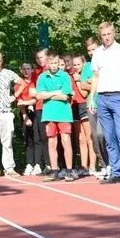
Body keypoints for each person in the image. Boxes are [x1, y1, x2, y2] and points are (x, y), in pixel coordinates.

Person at [87, 22, 120, 185]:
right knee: (109, 137)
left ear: (114, 33)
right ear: (100, 36)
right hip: (102, 98)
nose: (106, 37)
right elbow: (95, 77)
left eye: (109, 34)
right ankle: (115, 172)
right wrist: (92, 98)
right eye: (103, 35)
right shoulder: (98, 53)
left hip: (119, 96)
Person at [35, 51, 76, 182]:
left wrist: (48, 94)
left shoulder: (64, 76)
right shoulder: (42, 77)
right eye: (51, 63)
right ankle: (54, 171)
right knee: (52, 142)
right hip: (49, 114)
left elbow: (65, 96)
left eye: (56, 63)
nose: (54, 66)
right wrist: (55, 92)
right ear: (47, 63)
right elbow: (39, 95)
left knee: (66, 141)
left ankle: (69, 171)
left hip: (64, 113)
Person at [79, 36, 108, 175]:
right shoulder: (86, 66)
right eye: (89, 50)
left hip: (105, 102)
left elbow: (107, 82)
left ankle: (112, 164)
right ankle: (103, 164)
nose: (91, 52)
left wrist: (93, 82)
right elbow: (83, 85)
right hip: (92, 104)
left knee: (104, 134)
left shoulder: (106, 63)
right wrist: (93, 83)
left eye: (93, 49)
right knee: (95, 136)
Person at [70, 55, 96, 175]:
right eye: (74, 65)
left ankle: (92, 166)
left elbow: (84, 93)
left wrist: (78, 80)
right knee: (81, 139)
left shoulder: (83, 75)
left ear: (83, 64)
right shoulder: (70, 75)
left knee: (89, 137)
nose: (76, 67)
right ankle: (83, 166)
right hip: (74, 107)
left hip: (84, 105)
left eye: (78, 64)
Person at [15, 61, 40, 175]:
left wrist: (28, 102)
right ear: (21, 70)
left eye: (28, 68)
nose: (26, 71)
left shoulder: (36, 81)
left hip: (37, 111)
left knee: (37, 138)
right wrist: (25, 117)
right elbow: (19, 103)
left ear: (32, 70)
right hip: (25, 113)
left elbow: (36, 99)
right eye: (24, 69)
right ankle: (29, 164)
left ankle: (38, 164)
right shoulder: (18, 84)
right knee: (28, 140)